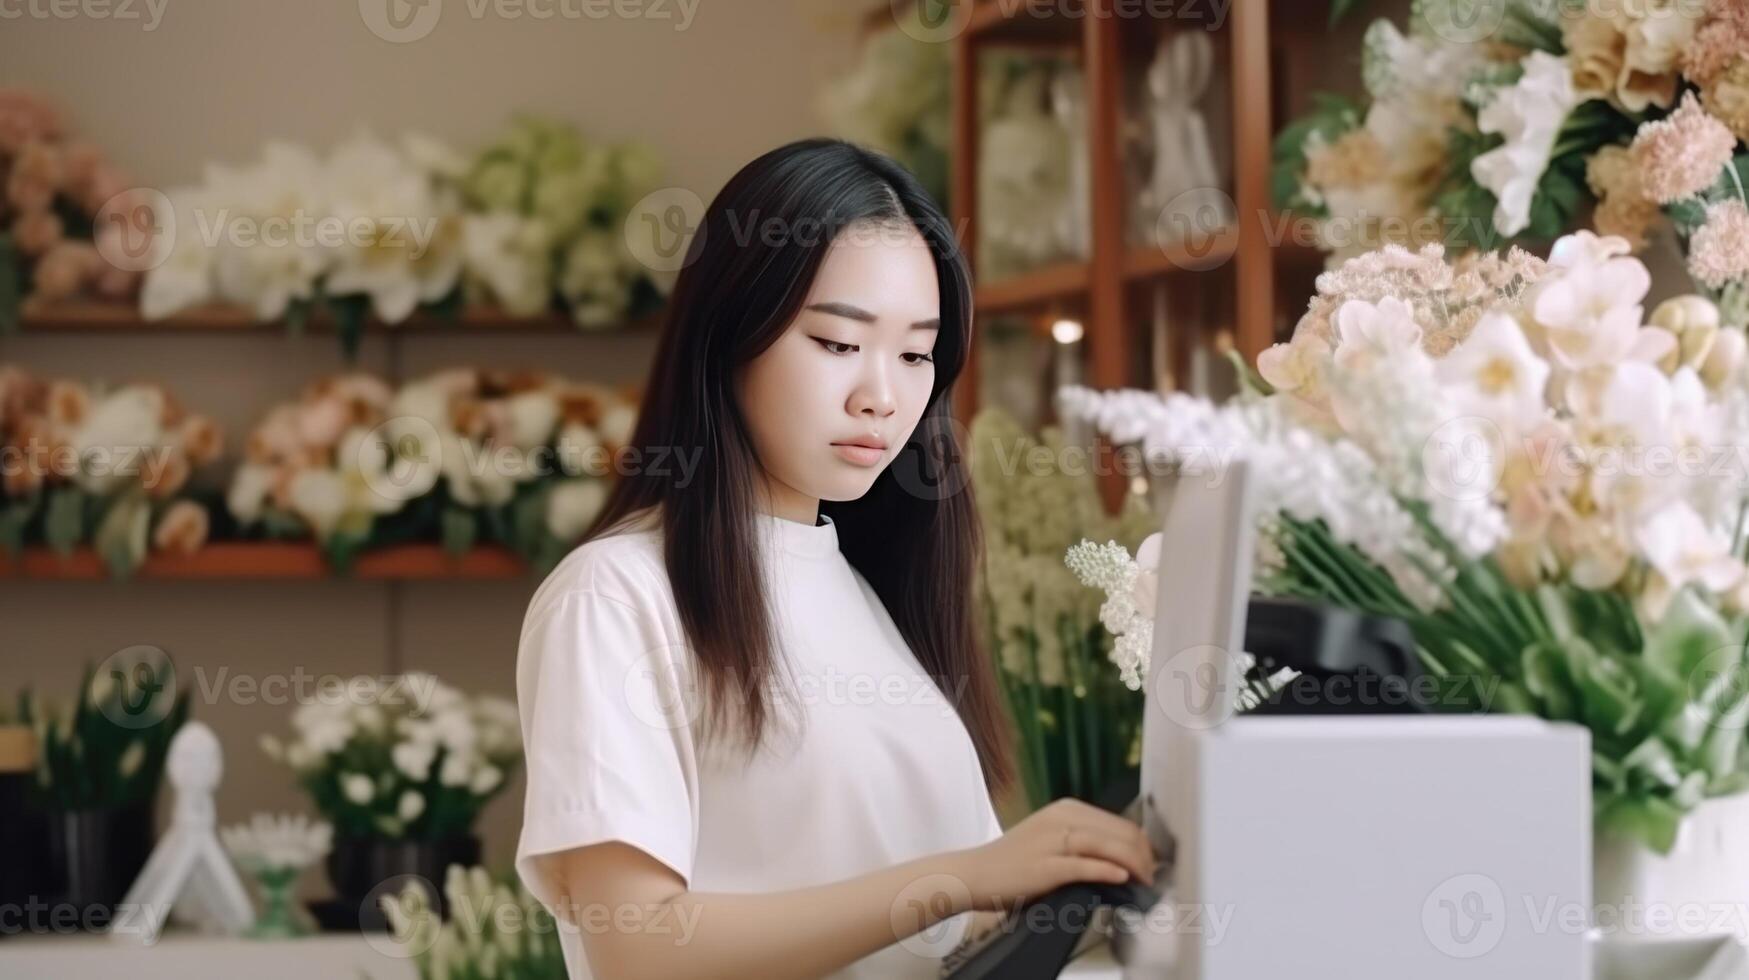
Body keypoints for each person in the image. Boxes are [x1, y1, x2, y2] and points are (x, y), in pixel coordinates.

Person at [514, 138, 1157, 980]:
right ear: (729, 335)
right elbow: (635, 946)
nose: (880, 396)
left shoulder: (868, 588)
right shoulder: (615, 596)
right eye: (837, 343)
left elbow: (936, 938)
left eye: (916, 354)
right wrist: (961, 879)